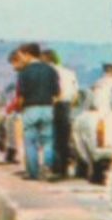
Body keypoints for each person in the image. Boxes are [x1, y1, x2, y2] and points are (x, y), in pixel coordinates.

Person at [14, 43, 59, 180]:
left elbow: (21, 96)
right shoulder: (51, 70)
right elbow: (56, 93)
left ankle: (33, 173)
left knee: (30, 142)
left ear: (28, 54)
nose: (20, 59)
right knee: (48, 141)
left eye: (21, 56)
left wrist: (20, 108)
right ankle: (48, 169)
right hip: (47, 108)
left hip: (30, 108)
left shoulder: (24, 72)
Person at [44, 49, 79, 178]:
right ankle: (63, 168)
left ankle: (55, 167)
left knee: (52, 137)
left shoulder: (49, 72)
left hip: (53, 104)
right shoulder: (70, 73)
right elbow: (76, 95)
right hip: (67, 106)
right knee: (64, 139)